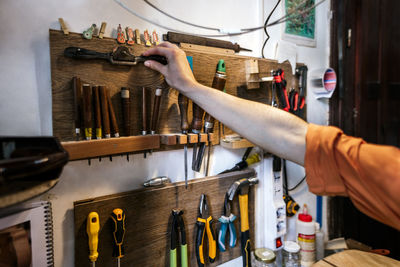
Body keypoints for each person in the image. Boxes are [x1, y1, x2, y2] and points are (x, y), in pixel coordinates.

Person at [142, 42, 400, 231]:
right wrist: (190, 87)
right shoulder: (391, 173)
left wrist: (191, 87)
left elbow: (292, 136)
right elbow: (291, 136)